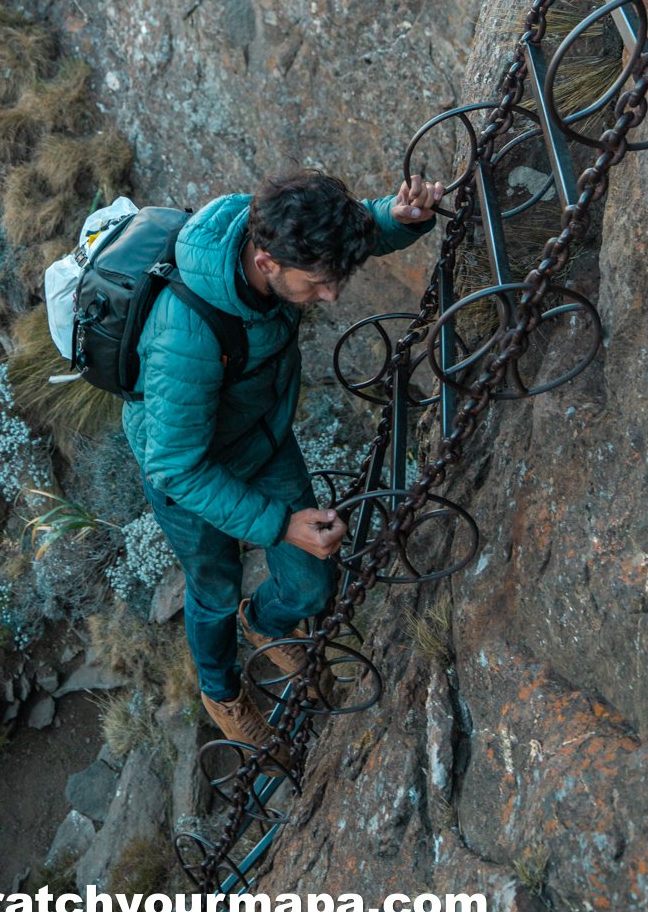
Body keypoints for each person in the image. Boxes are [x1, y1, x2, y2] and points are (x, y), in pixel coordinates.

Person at [121, 167, 443, 748]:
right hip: (190, 480)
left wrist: (397, 219)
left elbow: (354, 229)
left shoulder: (282, 233)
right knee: (214, 590)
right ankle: (221, 692)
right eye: (318, 284)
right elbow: (175, 466)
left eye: (332, 280)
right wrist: (277, 525)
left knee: (312, 588)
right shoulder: (185, 336)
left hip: (261, 440)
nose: (331, 295)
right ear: (266, 263)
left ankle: (264, 623)